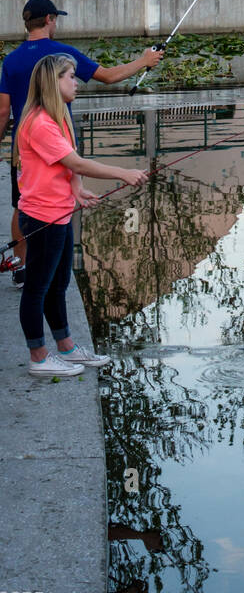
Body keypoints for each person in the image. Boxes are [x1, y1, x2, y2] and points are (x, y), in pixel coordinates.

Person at [0, 0, 163, 280]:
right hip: (59, 143)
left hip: (22, 147)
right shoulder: (63, 55)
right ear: (50, 19)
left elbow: (3, 111)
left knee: (21, 204)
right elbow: (109, 77)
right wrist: (145, 60)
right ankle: (49, 265)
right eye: (56, 19)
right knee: (62, 199)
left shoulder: (11, 60)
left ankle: (21, 264)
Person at [14, 54, 149, 378]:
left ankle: (67, 348)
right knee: (37, 288)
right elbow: (76, 163)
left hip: (59, 214)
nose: (76, 82)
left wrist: (75, 190)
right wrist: (122, 173)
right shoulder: (40, 123)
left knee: (59, 284)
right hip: (43, 218)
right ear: (53, 81)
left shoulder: (57, 118)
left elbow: (66, 165)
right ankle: (39, 356)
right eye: (70, 76)